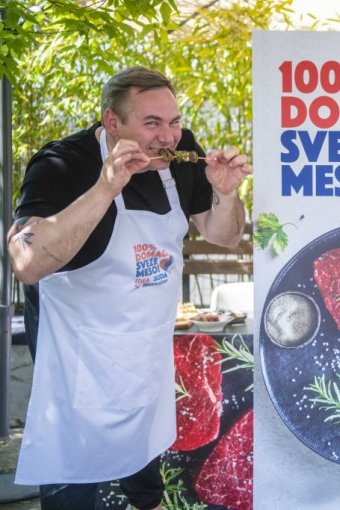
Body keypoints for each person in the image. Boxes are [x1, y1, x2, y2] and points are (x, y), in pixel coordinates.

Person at [6, 66, 252, 510]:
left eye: (173, 121)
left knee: (145, 473)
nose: (168, 136)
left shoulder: (182, 153)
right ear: (112, 122)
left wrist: (228, 195)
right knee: (73, 482)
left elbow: (225, 235)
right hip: (77, 362)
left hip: (145, 354)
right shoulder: (63, 163)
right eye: (152, 123)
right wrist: (105, 188)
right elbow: (27, 263)